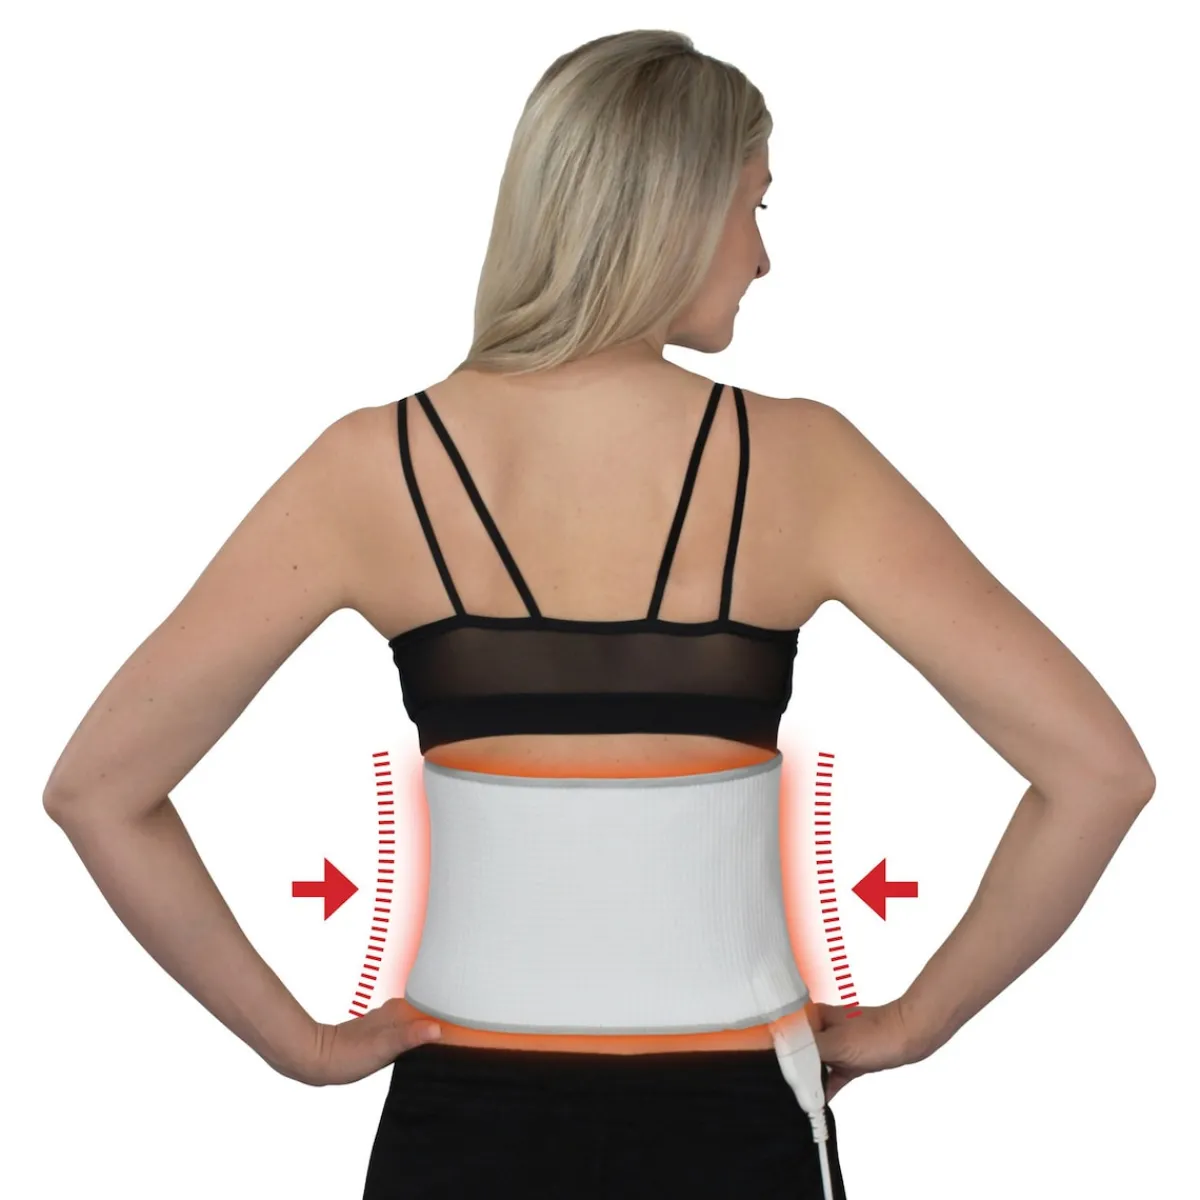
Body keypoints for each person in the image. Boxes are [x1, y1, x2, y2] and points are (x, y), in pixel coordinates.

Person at [40, 28, 1156, 1200]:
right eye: (755, 205)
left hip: (461, 1129)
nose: (763, 256)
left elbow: (99, 790)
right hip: (737, 1124)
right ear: (673, 209)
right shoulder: (804, 463)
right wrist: (915, 1023)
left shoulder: (374, 466)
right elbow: (1099, 772)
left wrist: (302, 1046)